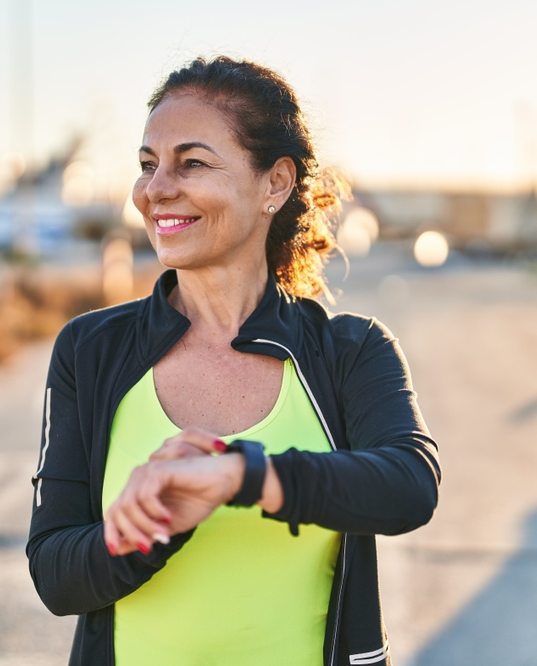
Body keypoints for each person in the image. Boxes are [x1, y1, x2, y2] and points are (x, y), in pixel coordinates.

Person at [27, 56, 440, 666]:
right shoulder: (91, 351)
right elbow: (55, 575)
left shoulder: (351, 351)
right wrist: (152, 525)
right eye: (147, 165)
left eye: (192, 162)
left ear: (274, 183)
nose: (155, 188)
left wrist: (242, 476)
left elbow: (409, 486)